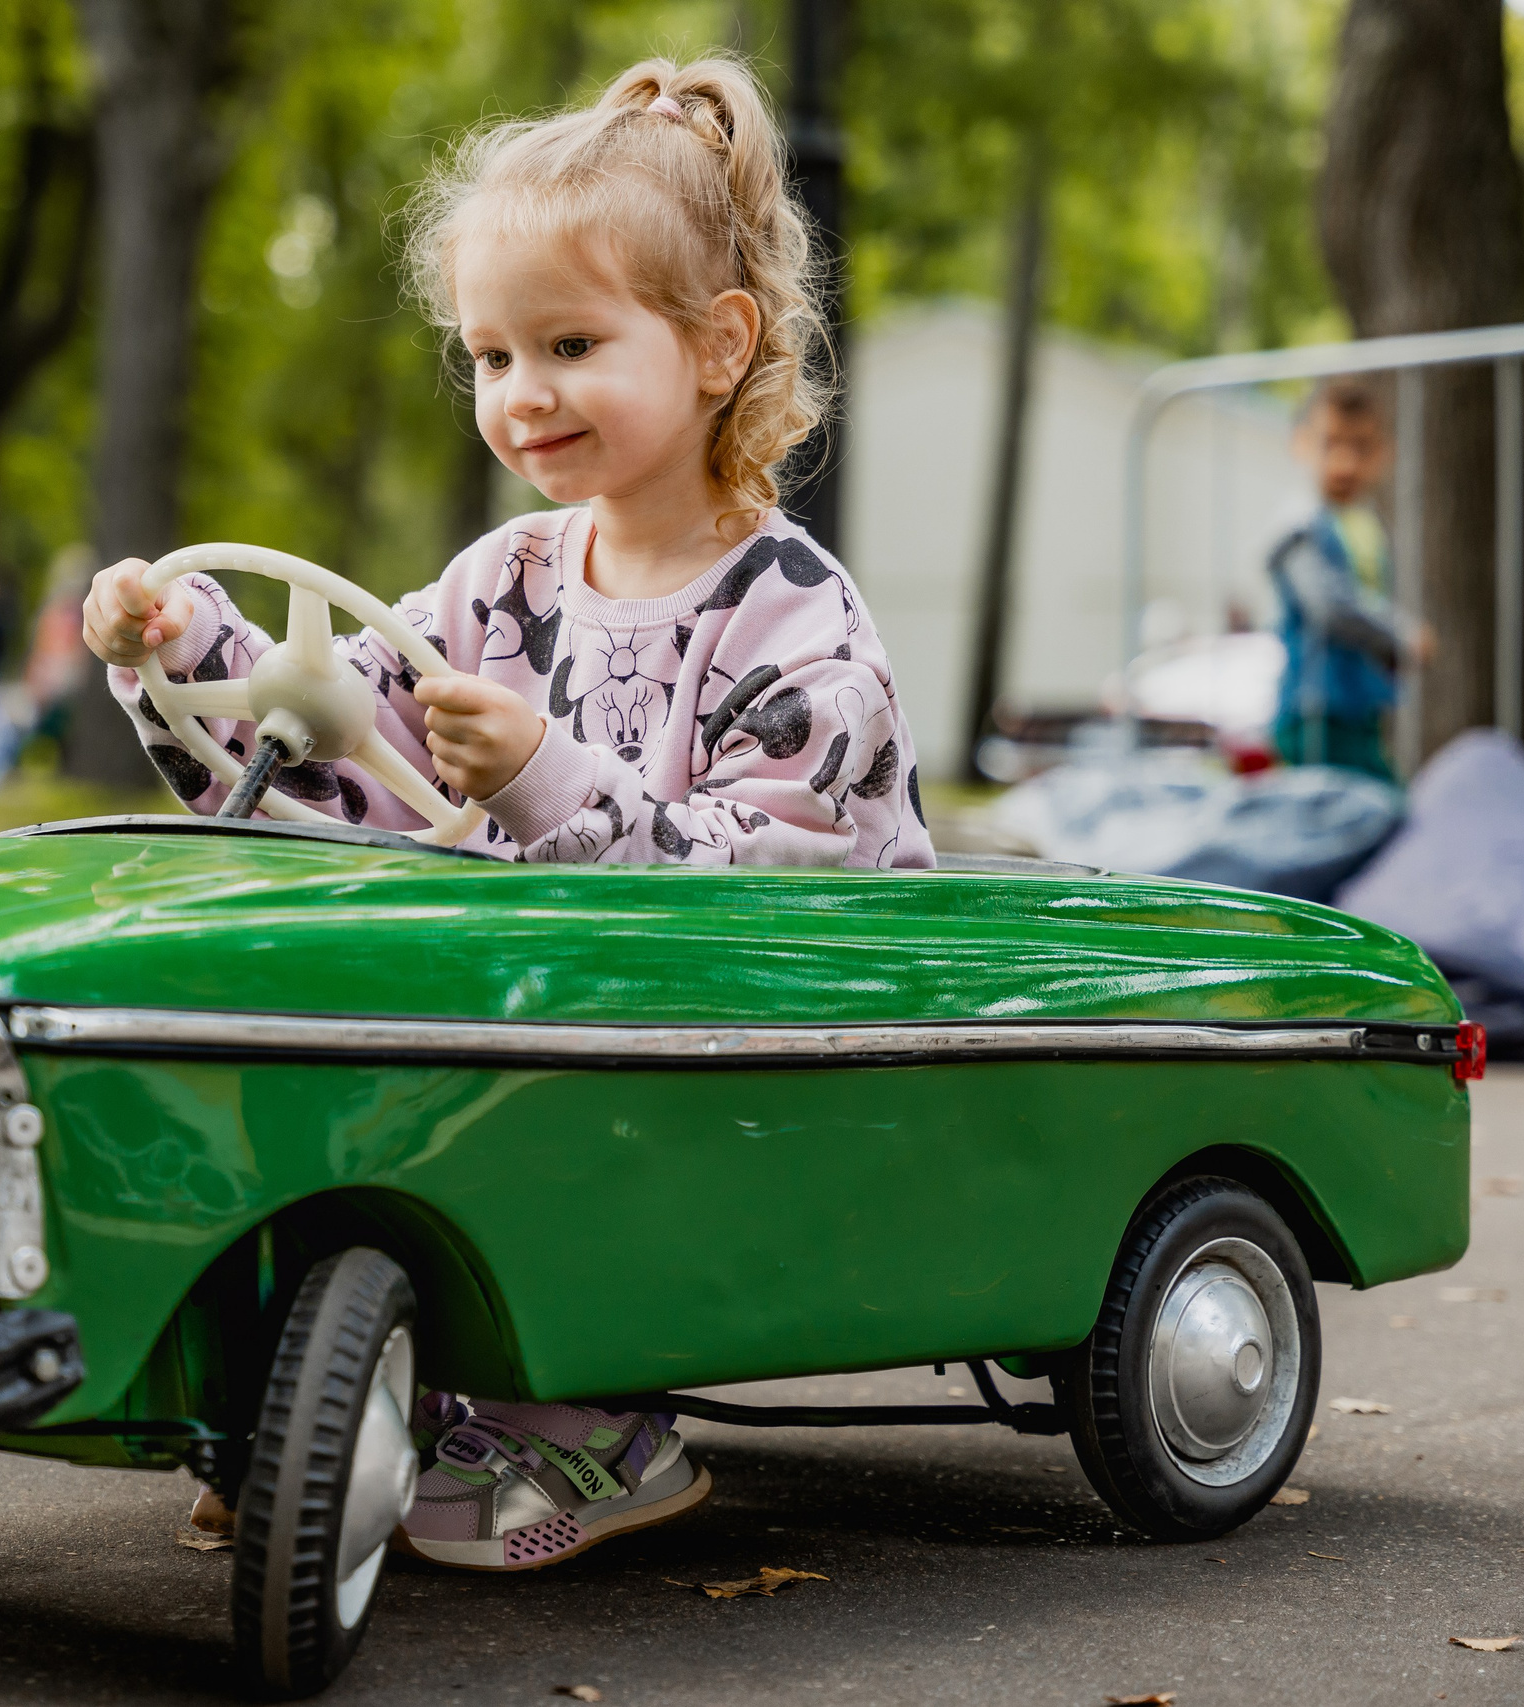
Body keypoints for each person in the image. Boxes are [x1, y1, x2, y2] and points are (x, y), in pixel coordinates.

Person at [82, 55, 935, 1568]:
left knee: (518, 1070)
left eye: (570, 342)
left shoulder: (797, 619)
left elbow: (765, 908)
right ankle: (323, 1377)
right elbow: (335, 747)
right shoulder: (504, 582)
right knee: (309, 1002)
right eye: (489, 354)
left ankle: (596, 1421)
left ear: (719, 344)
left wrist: (545, 767)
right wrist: (185, 648)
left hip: (754, 1063)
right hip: (539, 1023)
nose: (521, 393)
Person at [1266, 377, 1425, 782]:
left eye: (1361, 447)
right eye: (1330, 443)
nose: (1345, 462)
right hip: (1317, 712)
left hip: (1359, 709)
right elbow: (1330, 605)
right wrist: (1399, 636)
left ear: (1384, 454)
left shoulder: (1364, 525)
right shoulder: (1300, 524)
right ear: (1302, 444)